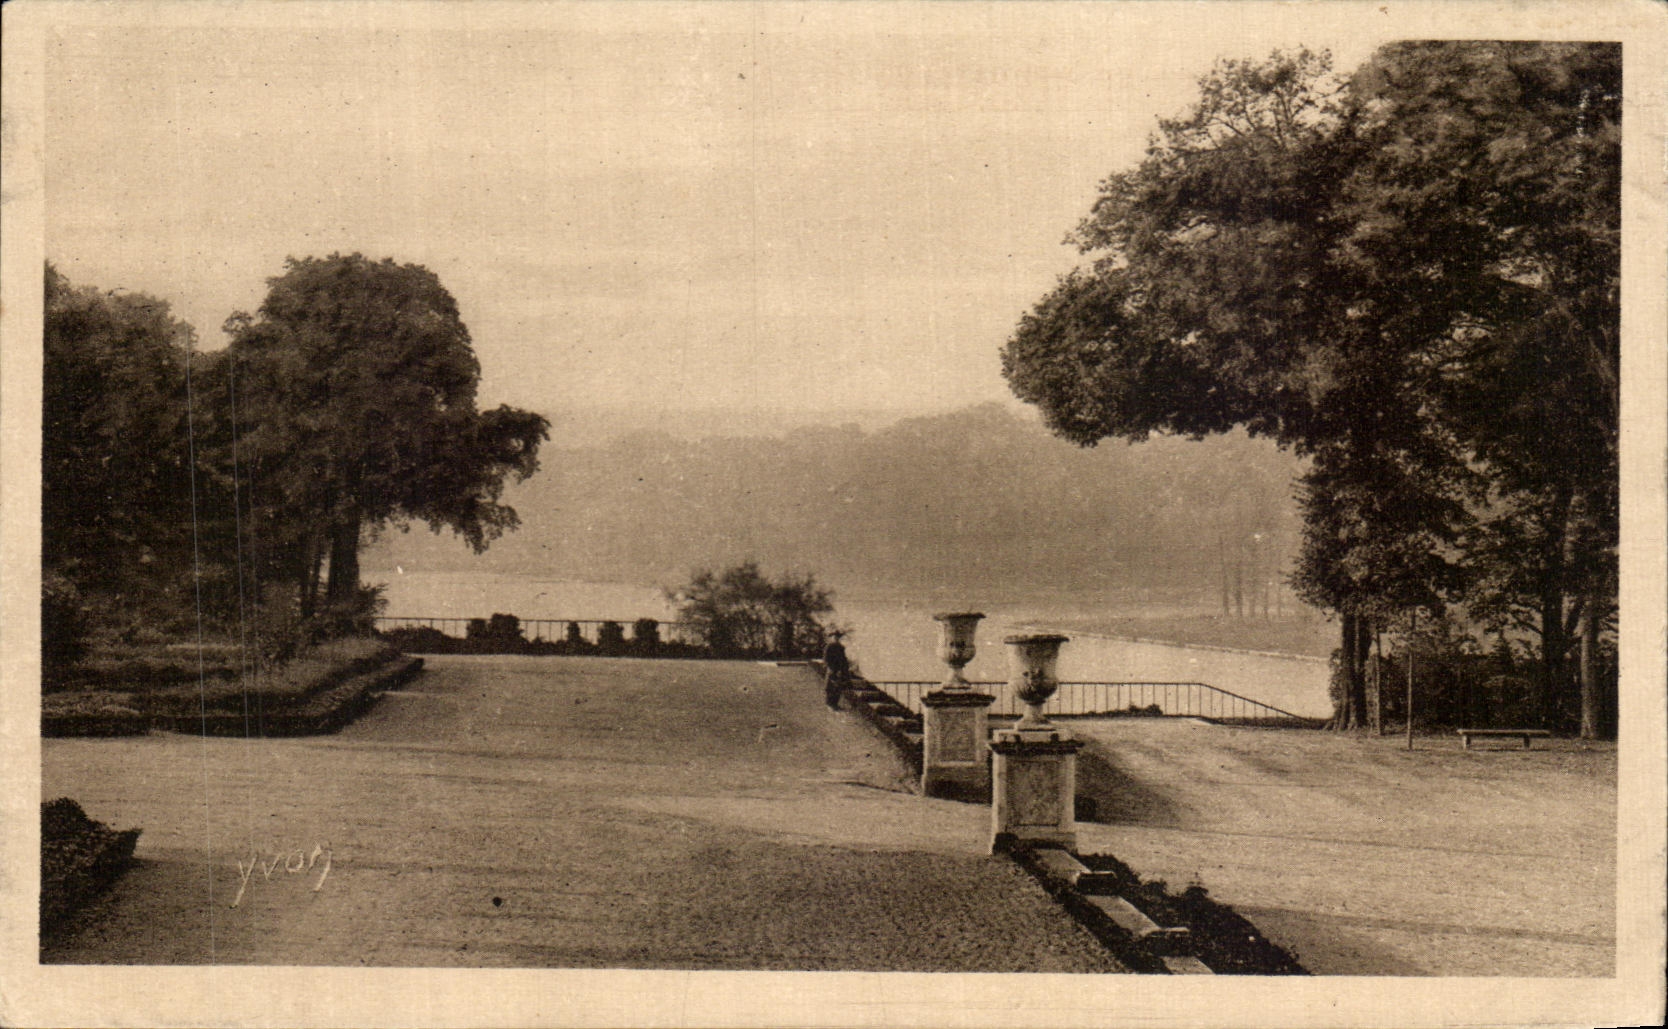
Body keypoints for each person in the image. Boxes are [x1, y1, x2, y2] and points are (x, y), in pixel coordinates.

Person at [822, 630, 851, 710]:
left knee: (838, 687)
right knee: (829, 686)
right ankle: (829, 703)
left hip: (839, 669)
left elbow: (843, 659)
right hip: (831, 668)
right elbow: (826, 658)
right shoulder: (829, 647)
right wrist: (829, 667)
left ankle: (835, 704)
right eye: (834, 637)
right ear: (832, 638)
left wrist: (844, 669)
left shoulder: (841, 647)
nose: (836, 638)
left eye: (837, 637)